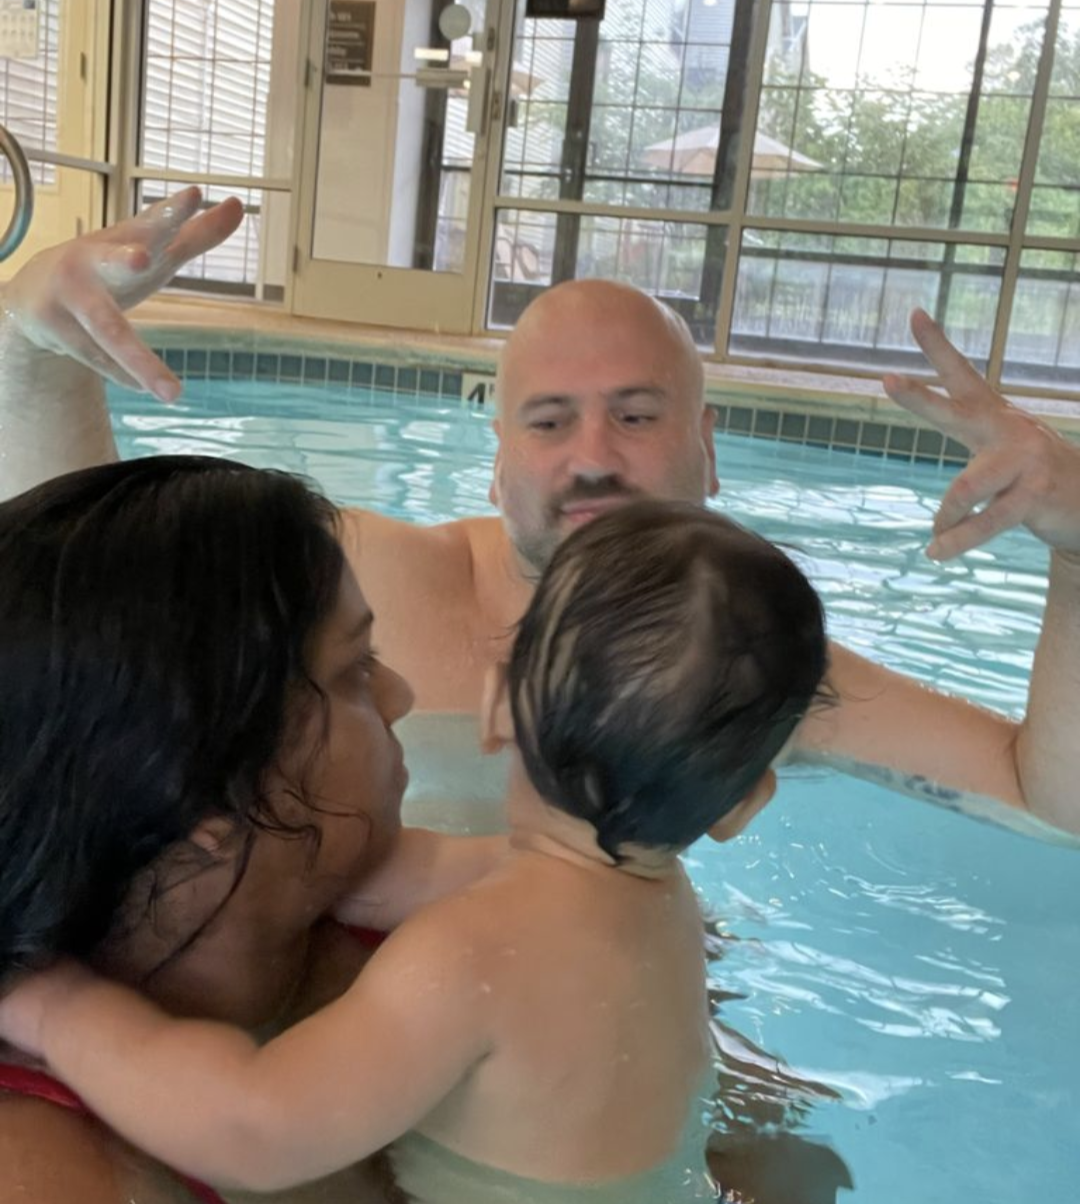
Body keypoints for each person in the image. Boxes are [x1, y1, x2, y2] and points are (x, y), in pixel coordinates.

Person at [2, 188, 1080, 836]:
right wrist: (30, 353)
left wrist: (1078, 554)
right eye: (551, 422)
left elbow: (1045, 802)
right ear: (495, 467)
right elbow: (84, 620)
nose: (593, 459)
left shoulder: (741, 661)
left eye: (637, 416)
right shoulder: (363, 586)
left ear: (708, 450)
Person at [0, 498, 830, 1203]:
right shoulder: (664, 907)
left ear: (498, 707)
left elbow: (256, 1127)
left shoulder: (467, 952)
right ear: (741, 806)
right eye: (358, 670)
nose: (399, 693)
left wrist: (61, 1013)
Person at [0, 453, 429, 1204]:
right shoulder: (50, 1171)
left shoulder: (421, 940)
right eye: (356, 670)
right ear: (205, 800)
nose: (401, 696)